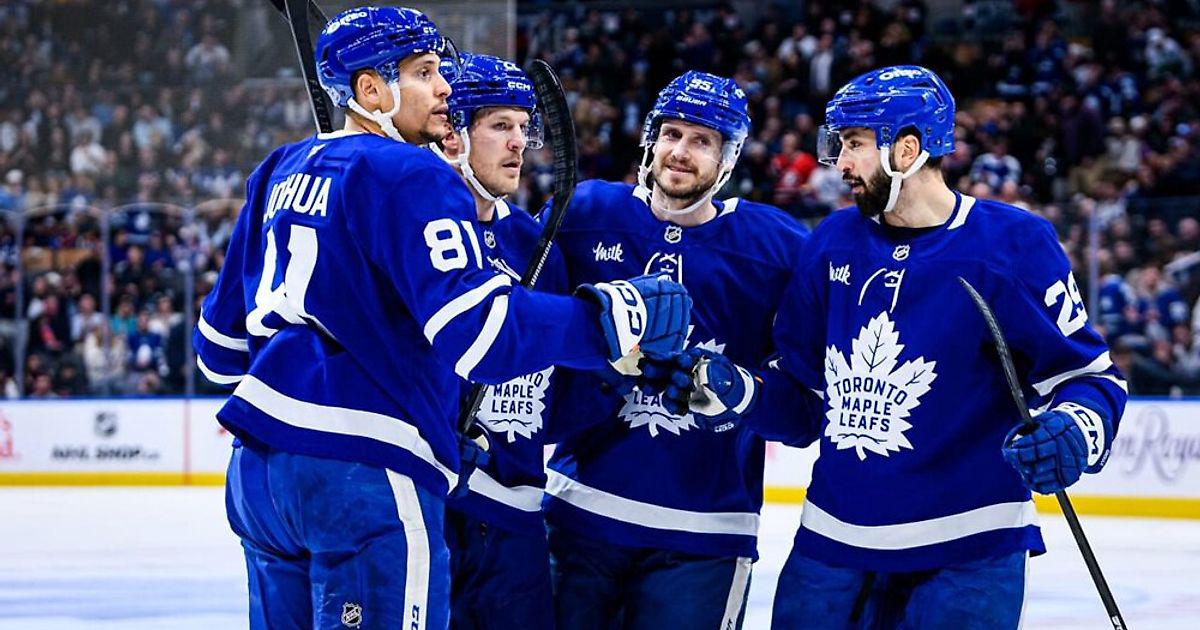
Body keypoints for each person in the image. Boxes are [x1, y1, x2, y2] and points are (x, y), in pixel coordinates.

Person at [191, 7, 691, 630]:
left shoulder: (278, 168)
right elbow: (479, 334)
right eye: (425, 73)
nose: (444, 88)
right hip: (363, 468)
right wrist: (609, 319)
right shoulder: (413, 172)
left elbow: (218, 353)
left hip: (257, 473)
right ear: (371, 90)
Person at [663, 65, 1129, 628]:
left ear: (907, 150)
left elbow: (1089, 378)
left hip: (969, 549)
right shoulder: (832, 242)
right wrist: (740, 391)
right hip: (832, 542)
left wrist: (1076, 428)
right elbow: (802, 397)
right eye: (840, 144)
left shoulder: (1011, 244)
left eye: (855, 144)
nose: (840, 163)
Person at [540, 71, 809, 628]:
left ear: (728, 159)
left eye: (702, 140)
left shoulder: (778, 248)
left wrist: (742, 392)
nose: (680, 152)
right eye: (671, 134)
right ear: (650, 140)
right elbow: (527, 348)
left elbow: (804, 412)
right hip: (579, 515)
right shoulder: (584, 215)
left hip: (706, 536)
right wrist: (603, 366)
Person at [430, 52, 563, 629]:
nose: (518, 144)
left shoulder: (534, 243)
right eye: (500, 125)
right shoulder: (414, 230)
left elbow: (557, 381)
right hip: (431, 503)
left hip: (516, 519)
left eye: (523, 128)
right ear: (454, 134)